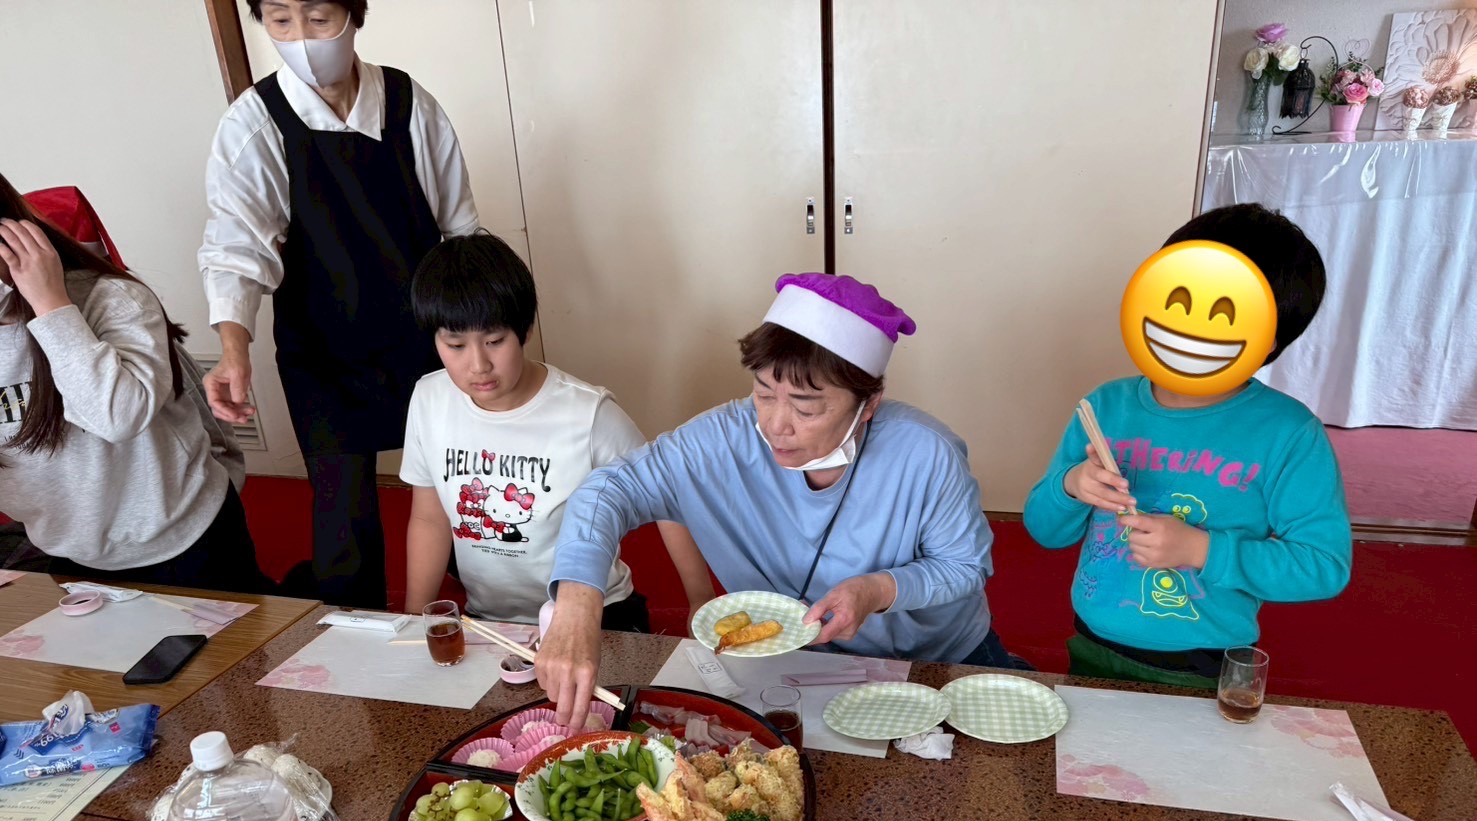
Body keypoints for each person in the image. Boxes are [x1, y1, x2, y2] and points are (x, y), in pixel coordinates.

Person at [536, 272, 1022, 722]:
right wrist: (577, 606)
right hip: (795, 663)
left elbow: (964, 565)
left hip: (936, 662)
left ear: (868, 403)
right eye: (764, 394)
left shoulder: (926, 454)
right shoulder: (722, 441)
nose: (774, 425)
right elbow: (608, 490)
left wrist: (876, 590)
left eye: (806, 408)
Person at [199, 0, 478, 607]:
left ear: (354, 15)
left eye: (319, 18)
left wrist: (478, 334)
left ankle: (502, 604)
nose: (300, 37)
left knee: (463, 485)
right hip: (322, 346)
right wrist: (232, 350)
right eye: (280, 21)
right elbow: (236, 248)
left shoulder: (408, 103)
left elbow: (460, 229)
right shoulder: (254, 122)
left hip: (424, 337)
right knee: (342, 515)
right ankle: (355, 638)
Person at [1023, 203, 1351, 688]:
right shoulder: (1105, 407)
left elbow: (1323, 566)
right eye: (1177, 296)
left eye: (1226, 311)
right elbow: (1044, 531)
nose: (1191, 322)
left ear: (1272, 337)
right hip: (1092, 643)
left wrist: (1202, 550)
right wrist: (1072, 486)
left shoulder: (1288, 433)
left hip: (1204, 663)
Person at [400, 232, 713, 627]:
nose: (478, 365)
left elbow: (668, 496)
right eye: (456, 345)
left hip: (594, 614)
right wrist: (415, 620)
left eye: (495, 340)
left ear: (525, 329)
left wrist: (701, 601)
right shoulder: (430, 399)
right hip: (492, 621)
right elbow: (430, 518)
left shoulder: (589, 414)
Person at [0, 173, 266, 592]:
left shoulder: (113, 298)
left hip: (183, 537)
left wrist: (51, 307)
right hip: (71, 552)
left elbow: (115, 417)